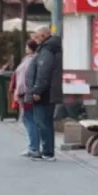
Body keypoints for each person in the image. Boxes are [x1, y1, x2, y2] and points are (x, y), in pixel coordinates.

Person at [26, 26, 63, 162]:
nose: (34, 39)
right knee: (46, 122)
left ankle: (47, 152)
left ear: (43, 36)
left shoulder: (46, 50)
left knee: (43, 123)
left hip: (44, 92)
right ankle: (48, 151)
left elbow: (43, 72)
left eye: (36, 36)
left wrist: (37, 90)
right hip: (49, 90)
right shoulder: (50, 48)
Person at [14, 40, 40, 158]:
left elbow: (24, 78)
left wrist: (19, 91)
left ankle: (33, 147)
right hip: (26, 92)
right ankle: (32, 146)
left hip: (26, 93)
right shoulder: (30, 59)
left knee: (29, 119)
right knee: (29, 119)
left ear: (30, 48)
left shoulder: (30, 60)